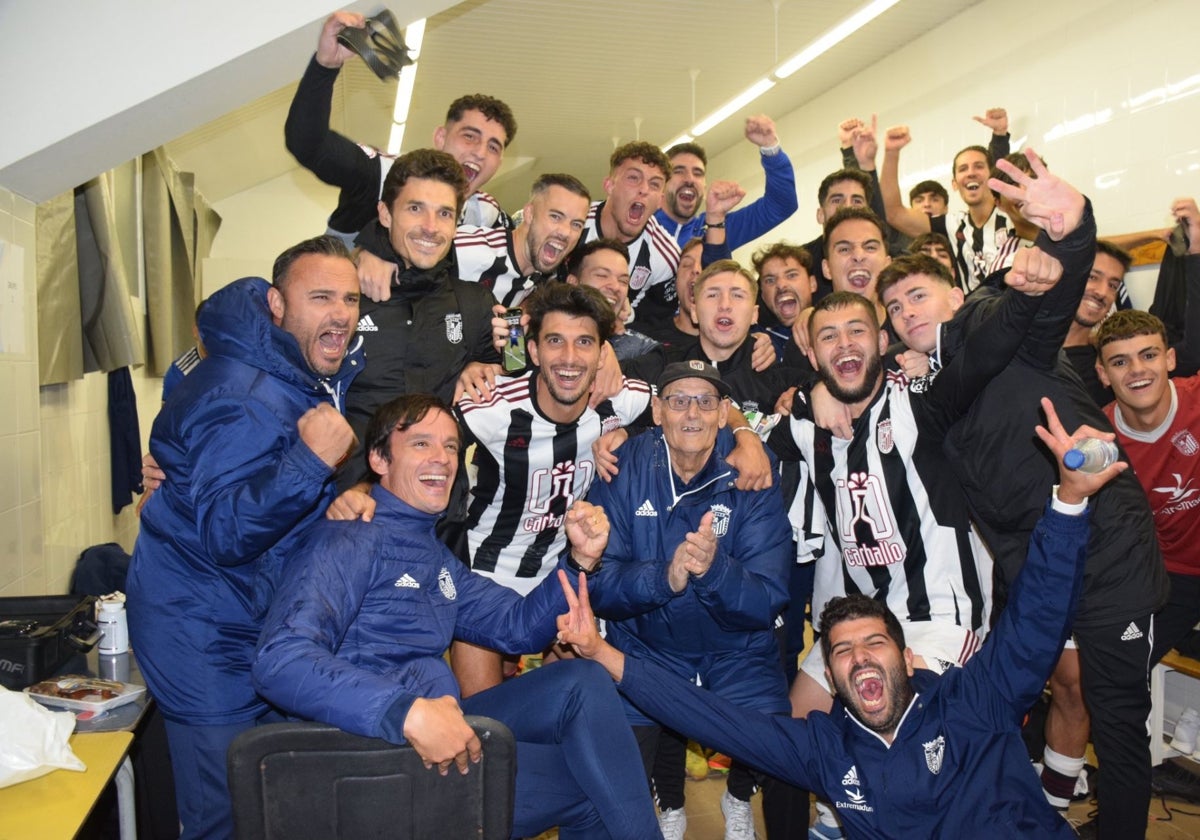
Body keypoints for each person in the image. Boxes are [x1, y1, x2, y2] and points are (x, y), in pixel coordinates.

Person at [556, 396, 1118, 840]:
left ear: (906, 655)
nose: (859, 658)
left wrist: (1068, 503)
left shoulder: (973, 702)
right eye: (842, 652)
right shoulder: (824, 750)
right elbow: (704, 717)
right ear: (833, 678)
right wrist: (602, 652)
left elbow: (1037, 620)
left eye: (874, 643)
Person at [252, 394, 660, 840]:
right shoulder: (351, 538)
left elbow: (516, 626)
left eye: (450, 447)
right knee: (592, 788)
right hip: (375, 751)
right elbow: (280, 660)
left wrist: (578, 561)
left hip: (436, 725)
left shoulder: (432, 556)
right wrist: (404, 712)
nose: (442, 459)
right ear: (379, 459)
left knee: (582, 682)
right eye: (422, 444)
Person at [939, 149, 1168, 838]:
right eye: (1086, 281)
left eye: (1106, 285)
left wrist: (1070, 233)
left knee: (1115, 718)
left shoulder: (1036, 352)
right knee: (1059, 693)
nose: (1094, 294)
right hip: (1042, 573)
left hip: (1109, 568)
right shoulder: (965, 375)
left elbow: (1104, 450)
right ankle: (1051, 815)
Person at [126, 235, 363, 839]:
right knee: (224, 816)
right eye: (321, 297)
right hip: (203, 631)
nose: (340, 313)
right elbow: (227, 532)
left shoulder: (285, 374)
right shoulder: (243, 392)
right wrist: (313, 462)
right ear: (276, 306)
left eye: (350, 298)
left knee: (265, 801)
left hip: (245, 619)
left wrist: (331, 500)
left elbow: (252, 492)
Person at [584, 361, 792, 840]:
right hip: (648, 650)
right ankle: (669, 805)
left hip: (735, 652)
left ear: (724, 413)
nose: (692, 413)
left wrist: (715, 569)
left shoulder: (753, 470)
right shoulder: (624, 466)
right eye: (678, 400)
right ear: (657, 411)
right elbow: (601, 585)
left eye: (705, 401)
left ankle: (740, 794)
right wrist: (668, 576)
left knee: (782, 751)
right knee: (616, 780)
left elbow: (767, 599)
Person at [449, 283, 652, 697]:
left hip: (565, 578)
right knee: (487, 726)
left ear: (602, 354)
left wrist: (744, 435)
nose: (570, 359)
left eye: (584, 344)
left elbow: (689, 404)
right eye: (555, 342)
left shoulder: (616, 400)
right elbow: (415, 441)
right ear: (535, 350)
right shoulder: (491, 405)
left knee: (591, 700)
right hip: (487, 578)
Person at [286, 12, 516, 249]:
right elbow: (309, 144)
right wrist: (325, 67)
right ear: (440, 137)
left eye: (493, 147)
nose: (480, 152)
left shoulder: (485, 214)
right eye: (469, 136)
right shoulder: (383, 175)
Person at [340, 147, 501, 485]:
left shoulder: (474, 305)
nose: (431, 228)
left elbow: (517, 371)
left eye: (444, 214)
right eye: (416, 209)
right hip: (351, 507)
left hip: (440, 519)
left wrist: (485, 368)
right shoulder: (345, 295)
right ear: (385, 214)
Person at [1095, 203, 1200, 664]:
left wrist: (1194, 251)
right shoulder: (1099, 439)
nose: (1137, 371)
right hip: (1168, 576)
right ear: (1103, 374)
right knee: (1122, 668)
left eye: (1149, 356)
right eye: (1121, 362)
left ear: (1170, 359)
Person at [356, 172, 592, 307]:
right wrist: (371, 251)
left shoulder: (542, 282)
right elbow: (408, 244)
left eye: (576, 224)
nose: (565, 232)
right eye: (555, 217)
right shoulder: (467, 248)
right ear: (528, 214)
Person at [880, 111, 1012, 293]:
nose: (971, 173)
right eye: (963, 169)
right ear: (955, 184)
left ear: (992, 175)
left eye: (979, 166)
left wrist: (1000, 137)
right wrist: (891, 153)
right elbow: (893, 213)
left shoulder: (1013, 215)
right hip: (974, 316)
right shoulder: (952, 224)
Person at [655, 115, 798, 248]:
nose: (690, 179)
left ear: (704, 189)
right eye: (679, 171)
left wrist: (770, 147)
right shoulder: (641, 226)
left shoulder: (716, 229)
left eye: (697, 173)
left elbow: (781, 206)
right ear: (662, 184)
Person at [581, 141, 681, 331]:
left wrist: (627, 317)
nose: (644, 189)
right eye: (634, 178)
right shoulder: (575, 223)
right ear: (609, 185)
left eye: (654, 184)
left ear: (660, 200)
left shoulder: (666, 258)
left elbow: (656, 324)